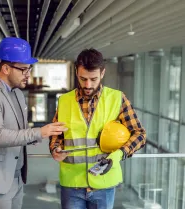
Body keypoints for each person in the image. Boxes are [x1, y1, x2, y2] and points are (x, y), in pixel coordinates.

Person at [0, 37, 67, 209]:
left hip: (15, 177)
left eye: (29, 68)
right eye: (23, 69)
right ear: (6, 68)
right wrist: (39, 132)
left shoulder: (17, 94)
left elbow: (19, 132)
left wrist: (42, 136)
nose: (28, 74)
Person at [49, 48, 147, 209]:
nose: (88, 84)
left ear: (102, 73)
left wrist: (118, 154)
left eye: (93, 79)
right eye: (83, 78)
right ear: (76, 72)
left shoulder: (117, 98)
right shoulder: (64, 101)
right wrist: (55, 148)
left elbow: (140, 135)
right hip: (72, 184)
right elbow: (56, 134)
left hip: (104, 183)